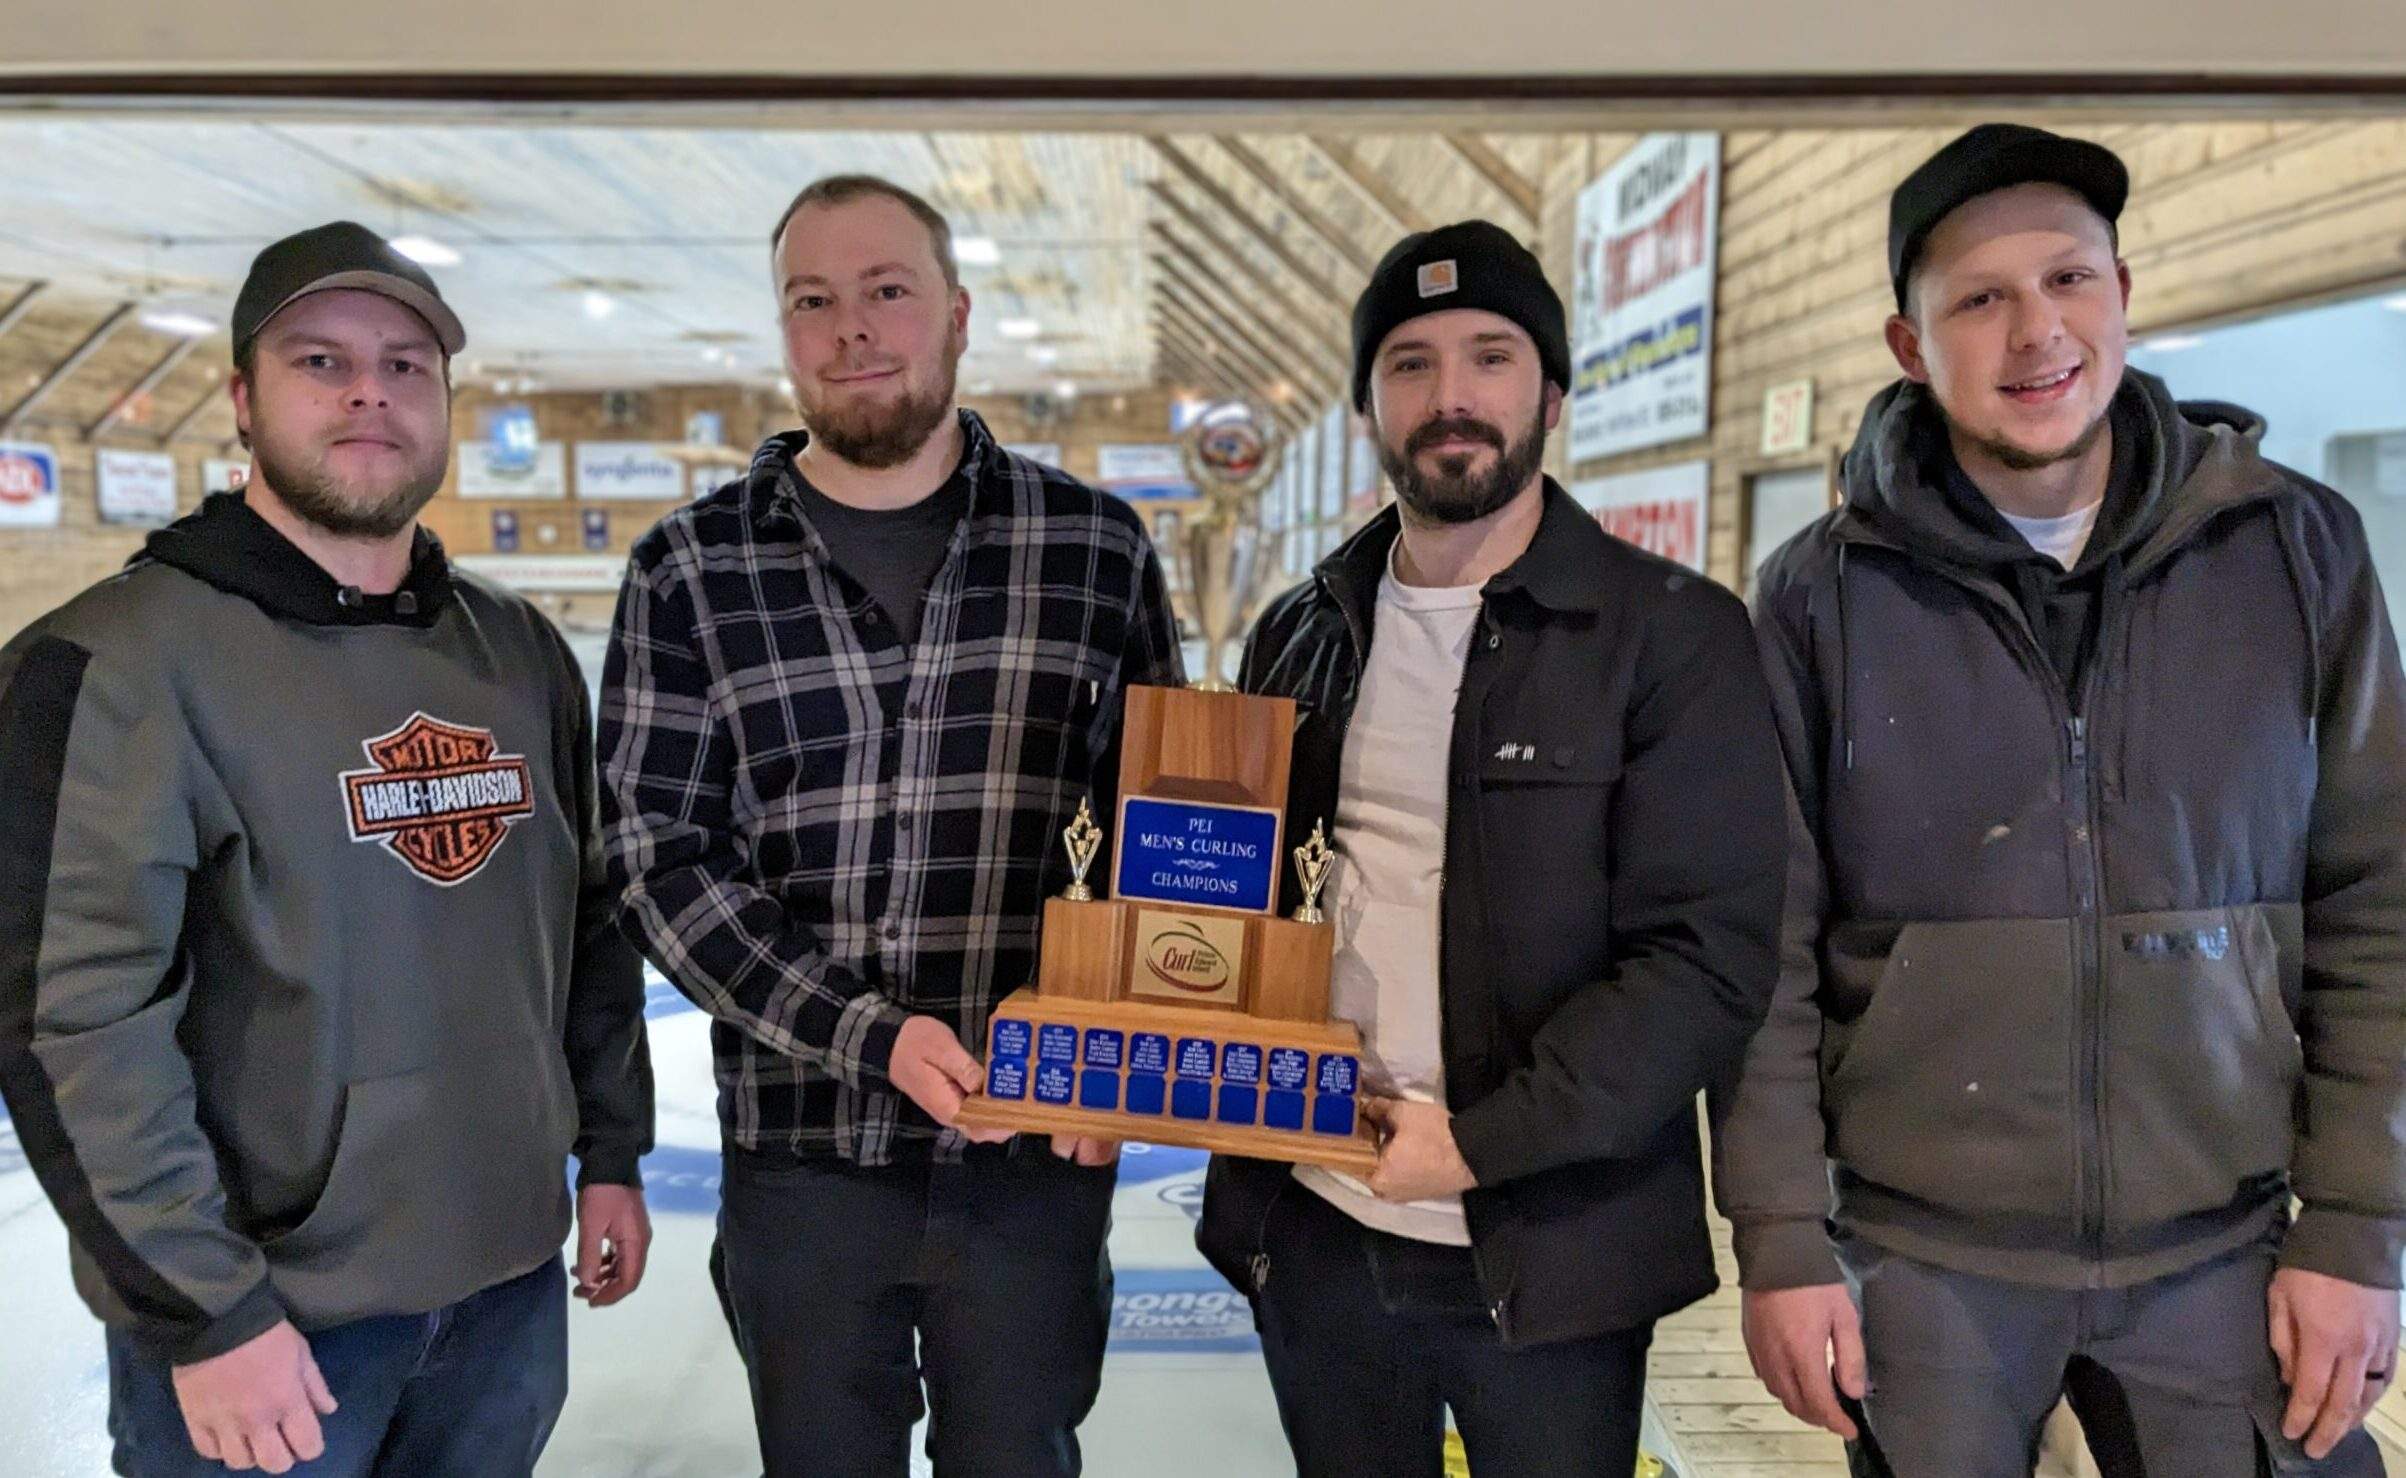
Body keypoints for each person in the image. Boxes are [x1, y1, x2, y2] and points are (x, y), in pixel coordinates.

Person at [1717, 123, 2406, 1475]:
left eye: (2066, 280)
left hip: (2226, 1237)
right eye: (1978, 299)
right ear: (1909, 348)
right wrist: (1781, 1240)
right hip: (1924, 1257)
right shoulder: (1815, 598)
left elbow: (2377, 897)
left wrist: (2356, 1222)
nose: (2034, 331)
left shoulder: (2294, 547)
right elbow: (1765, 949)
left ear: (2122, 294)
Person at [0, 220, 653, 1478]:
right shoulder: (114, 664)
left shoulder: (515, 653)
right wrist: (206, 1310)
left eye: (408, 365)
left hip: (508, 1289)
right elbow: (72, 1020)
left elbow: (587, 927)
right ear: (243, 399)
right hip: (272, 1330)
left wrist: (612, 1151)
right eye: (321, 360)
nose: (370, 390)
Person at [600, 174, 1182, 1477]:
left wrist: (1113, 1041)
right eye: (813, 299)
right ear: (784, 329)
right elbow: (657, 858)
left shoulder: (1092, 549)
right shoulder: (688, 569)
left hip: (1032, 1155)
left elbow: (1157, 828)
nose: (851, 327)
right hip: (803, 1162)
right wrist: (867, 1033)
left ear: (956, 316)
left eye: (886, 291)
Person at [1195, 218, 1787, 1476]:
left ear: (1553, 394)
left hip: (1551, 1245)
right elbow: (1250, 906)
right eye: (1409, 362)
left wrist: (1475, 1142)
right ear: (1368, 404)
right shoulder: (1302, 631)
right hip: (1312, 1219)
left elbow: (1707, 961)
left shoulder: (1671, 636)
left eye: (1491, 356)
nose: (1449, 395)